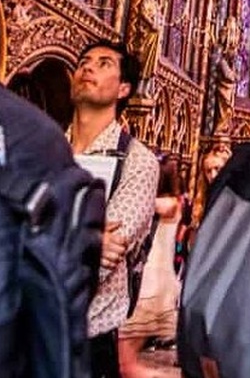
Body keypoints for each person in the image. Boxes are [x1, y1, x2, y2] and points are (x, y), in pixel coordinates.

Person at [68, 40, 159, 377]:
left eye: (104, 63)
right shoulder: (46, 148)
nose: (88, 67)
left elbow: (105, 258)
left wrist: (37, 235)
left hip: (88, 341)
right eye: (84, 61)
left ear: (124, 89)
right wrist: (88, 240)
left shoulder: (137, 161)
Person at [118, 155, 184, 377]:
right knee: (126, 363)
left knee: (126, 365)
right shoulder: (171, 203)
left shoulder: (168, 204)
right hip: (154, 286)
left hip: (149, 289)